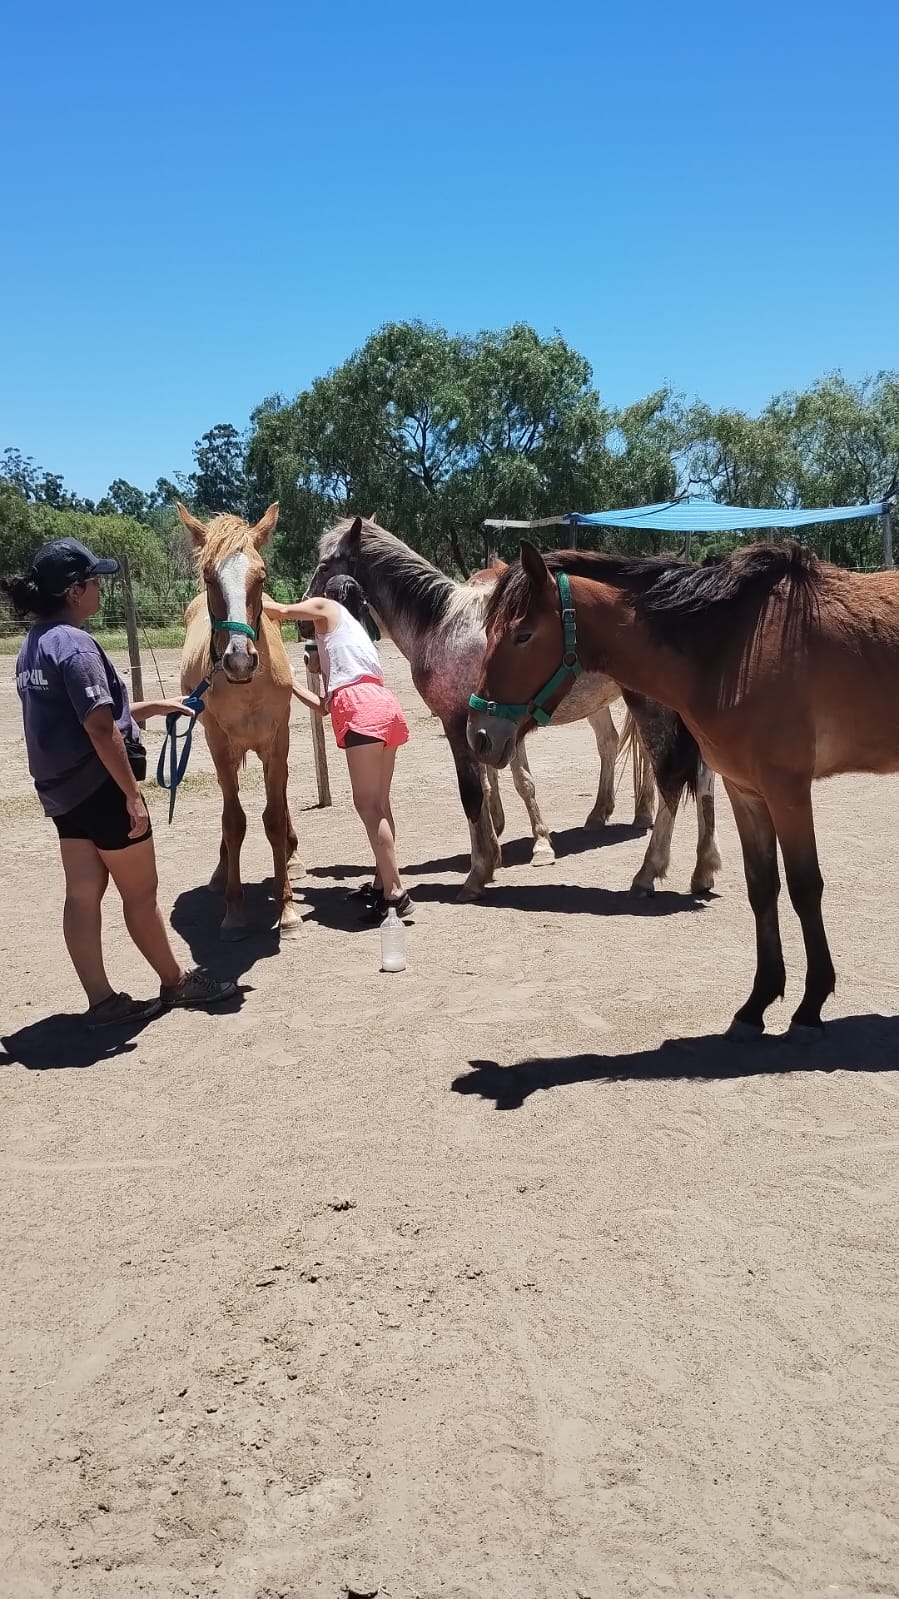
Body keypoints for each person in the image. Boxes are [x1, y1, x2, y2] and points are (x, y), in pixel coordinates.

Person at [2, 537, 237, 1027]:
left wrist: (153, 707)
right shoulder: (75, 644)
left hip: (63, 794)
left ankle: (101, 1000)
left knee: (82, 893)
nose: (99, 590)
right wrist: (132, 794)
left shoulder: (34, 645)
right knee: (141, 893)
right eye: (94, 582)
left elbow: (84, 714)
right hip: (102, 788)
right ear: (74, 591)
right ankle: (176, 982)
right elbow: (98, 726)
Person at [262, 574, 412, 922]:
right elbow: (324, 706)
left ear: (330, 594)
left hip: (359, 709)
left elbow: (279, 611)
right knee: (380, 804)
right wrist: (291, 682)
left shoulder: (327, 606)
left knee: (367, 806)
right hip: (383, 705)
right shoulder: (356, 634)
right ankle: (382, 883)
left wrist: (249, 593)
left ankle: (395, 893)